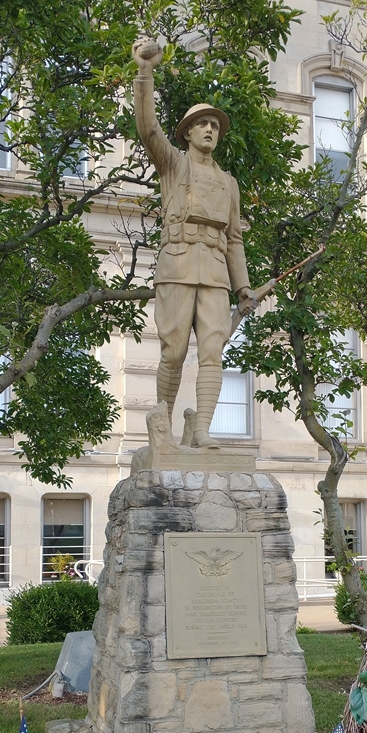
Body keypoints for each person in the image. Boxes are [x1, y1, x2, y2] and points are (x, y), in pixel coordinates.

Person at [132, 37, 256, 449]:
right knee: (173, 351)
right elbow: (148, 129)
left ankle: (202, 429)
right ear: (187, 132)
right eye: (202, 123)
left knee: (213, 351)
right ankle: (163, 426)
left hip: (216, 274)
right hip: (178, 264)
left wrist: (243, 286)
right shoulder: (173, 164)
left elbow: (234, 238)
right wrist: (145, 72)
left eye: (215, 125)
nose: (209, 129)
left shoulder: (229, 183)